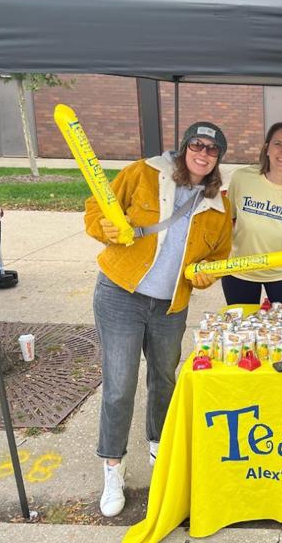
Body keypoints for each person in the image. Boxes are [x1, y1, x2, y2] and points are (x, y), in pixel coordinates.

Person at [84, 121, 233, 517]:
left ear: (219, 158)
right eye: (196, 145)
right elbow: (98, 205)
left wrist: (206, 275)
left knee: (165, 377)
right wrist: (106, 228)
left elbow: (218, 255)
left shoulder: (219, 203)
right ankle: (112, 466)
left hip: (170, 305)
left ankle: (158, 444)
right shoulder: (144, 173)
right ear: (183, 147)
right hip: (121, 294)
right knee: (119, 384)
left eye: (212, 149)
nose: (203, 153)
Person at [222, 122, 282, 305]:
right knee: (241, 332)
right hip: (240, 271)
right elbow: (229, 219)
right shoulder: (242, 178)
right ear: (266, 148)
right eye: (278, 144)